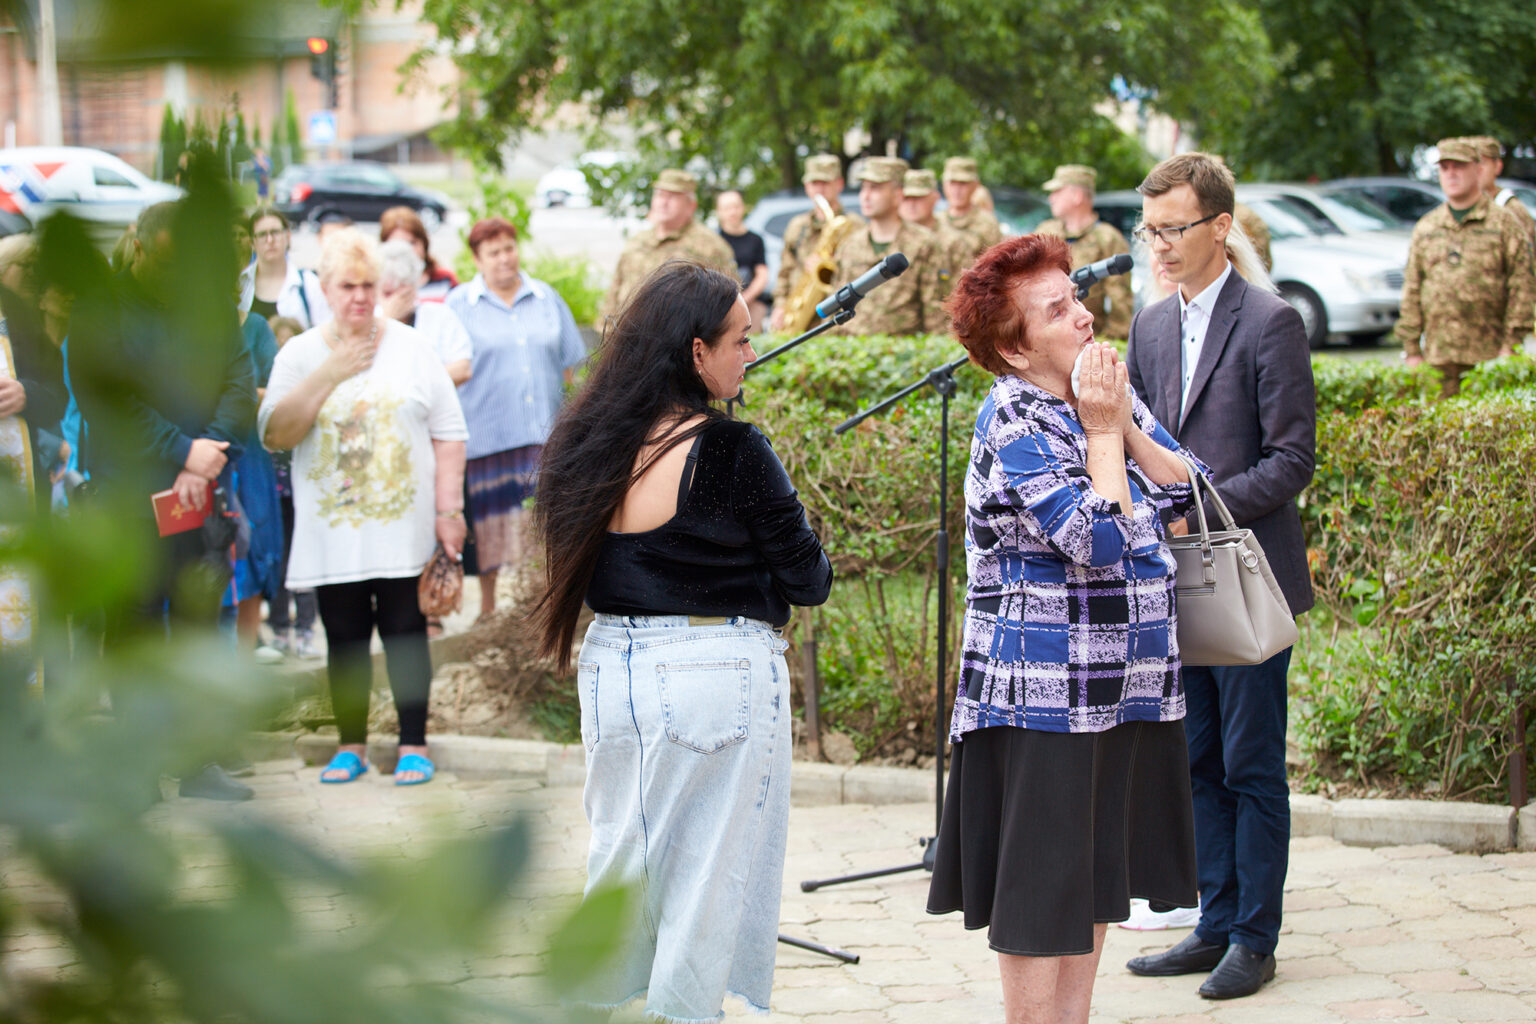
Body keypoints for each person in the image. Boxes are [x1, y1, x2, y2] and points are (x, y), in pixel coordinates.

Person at [532, 260, 832, 1021]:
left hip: (612, 667)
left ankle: (591, 1001)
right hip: (713, 671)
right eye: (740, 340)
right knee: (705, 879)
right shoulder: (732, 449)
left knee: (619, 859)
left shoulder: (584, 439)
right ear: (697, 352)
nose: (751, 354)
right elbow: (809, 580)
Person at [924, 233, 1202, 1024]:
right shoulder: (1014, 417)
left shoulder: (1098, 391)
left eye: (1075, 297)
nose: (1083, 315)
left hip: (1128, 684)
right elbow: (1098, 538)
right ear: (1015, 349)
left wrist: (1119, 424)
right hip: (1043, 695)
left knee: (1097, 881)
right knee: (1042, 894)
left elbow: (1192, 490)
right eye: (1057, 310)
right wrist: (1108, 438)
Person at [1122, 152, 1316, 1000]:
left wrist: (1197, 507)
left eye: (1174, 229)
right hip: (1175, 577)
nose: (1160, 246)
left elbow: (1292, 460)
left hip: (1246, 577)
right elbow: (1138, 439)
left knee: (1250, 764)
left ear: (1221, 226)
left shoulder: (1271, 321)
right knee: (1196, 759)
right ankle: (1213, 922)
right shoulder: (1148, 325)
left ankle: (1255, 939)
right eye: (1151, 231)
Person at [258, 229, 467, 786]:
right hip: (334, 531)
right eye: (347, 286)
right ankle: (350, 746)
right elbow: (276, 433)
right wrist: (332, 370)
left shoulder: (412, 347)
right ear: (325, 289)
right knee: (344, 637)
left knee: (406, 634)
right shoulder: (300, 354)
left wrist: (450, 512)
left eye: (368, 285)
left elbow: (449, 433)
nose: (358, 296)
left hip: (405, 529)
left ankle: (413, 745)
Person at [68, 198, 258, 801]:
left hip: (198, 494)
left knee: (199, 626)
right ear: (139, 245)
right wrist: (183, 451)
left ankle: (197, 766)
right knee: (135, 627)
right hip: (128, 494)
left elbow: (238, 384)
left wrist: (208, 457)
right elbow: (106, 401)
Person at [446, 218, 586, 620]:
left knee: (546, 522)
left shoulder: (545, 298)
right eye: (493, 252)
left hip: (545, 433)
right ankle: (489, 609)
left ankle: (548, 604)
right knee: (490, 526)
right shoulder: (459, 305)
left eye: (509, 248)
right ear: (477, 259)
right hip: (488, 435)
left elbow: (570, 364)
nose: (504, 258)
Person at [1395, 137, 1534, 398]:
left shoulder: (1505, 224)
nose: (1451, 174)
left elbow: (1523, 287)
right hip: (1437, 361)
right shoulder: (1427, 227)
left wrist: (1511, 347)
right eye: (1444, 168)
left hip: (1490, 359)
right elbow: (1412, 289)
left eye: (1458, 166)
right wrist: (1412, 350)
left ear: (1477, 169)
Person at [224, 220, 286, 663]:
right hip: (208, 454)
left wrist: (237, 392)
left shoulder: (257, 330)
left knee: (255, 551)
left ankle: (243, 659)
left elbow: (277, 393)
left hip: (251, 458)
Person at [596, 169, 736, 328]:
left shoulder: (711, 247)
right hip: (628, 335)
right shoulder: (637, 241)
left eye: (673, 196)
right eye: (660, 195)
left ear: (691, 206)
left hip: (678, 337)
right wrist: (605, 329)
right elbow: (615, 290)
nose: (663, 202)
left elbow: (729, 303)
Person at [830, 156, 946, 336]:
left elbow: (935, 314)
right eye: (863, 188)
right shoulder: (850, 245)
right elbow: (835, 308)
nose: (866, 196)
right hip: (850, 348)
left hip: (901, 349)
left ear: (898, 195)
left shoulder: (924, 244)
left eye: (875, 188)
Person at [262, 315, 319, 657]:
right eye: (278, 341)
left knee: (307, 557)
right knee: (279, 559)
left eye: (290, 340)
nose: (284, 347)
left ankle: (307, 629)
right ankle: (281, 626)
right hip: (275, 487)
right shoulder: (271, 383)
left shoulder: (312, 381)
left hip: (305, 485)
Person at [1036, 164, 1134, 339]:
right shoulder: (1045, 233)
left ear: (1077, 196)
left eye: (1058, 191)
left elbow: (1120, 302)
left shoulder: (1107, 238)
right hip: (1044, 337)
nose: (1051, 198)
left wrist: (1108, 343)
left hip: (1086, 338)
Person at [770, 153, 862, 331]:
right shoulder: (797, 226)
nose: (820, 189)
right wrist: (780, 306)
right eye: (814, 183)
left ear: (839, 184)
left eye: (825, 182)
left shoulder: (854, 225)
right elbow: (785, 271)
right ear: (806, 187)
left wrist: (831, 265)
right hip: (799, 313)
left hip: (837, 317)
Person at [378, 239, 473, 385]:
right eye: (388, 293)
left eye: (402, 292)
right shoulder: (369, 321)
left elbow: (462, 368)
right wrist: (388, 319)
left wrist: (414, 385)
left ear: (414, 286)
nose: (396, 299)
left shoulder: (439, 315)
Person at [250, 206, 330, 330]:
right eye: (262, 234)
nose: (270, 240)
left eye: (275, 232)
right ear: (252, 241)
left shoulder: (309, 284)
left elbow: (325, 331)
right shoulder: (240, 285)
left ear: (287, 235)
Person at [900, 168, 965, 295]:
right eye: (907, 198)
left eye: (919, 198)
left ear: (935, 198)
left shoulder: (953, 242)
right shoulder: (891, 237)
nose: (911, 204)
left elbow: (962, 291)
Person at [379, 206, 459, 302]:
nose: (407, 251)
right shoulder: (381, 285)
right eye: (400, 244)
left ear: (424, 243)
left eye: (412, 243)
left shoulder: (444, 279)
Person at [714, 189, 770, 328]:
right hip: (719, 305)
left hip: (751, 302)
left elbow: (762, 275)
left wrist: (744, 299)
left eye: (736, 207)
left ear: (743, 208)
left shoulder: (755, 240)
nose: (732, 212)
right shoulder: (713, 240)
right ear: (719, 212)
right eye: (727, 208)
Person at [1470, 136, 1535, 243]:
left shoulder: (1512, 210)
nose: (1477, 169)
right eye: (1471, 164)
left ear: (1497, 166)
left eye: (1482, 162)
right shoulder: (1461, 207)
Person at [937, 157, 1002, 261]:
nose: (957, 190)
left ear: (975, 186)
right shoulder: (936, 220)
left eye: (963, 184)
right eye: (952, 183)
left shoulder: (988, 223)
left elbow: (995, 264)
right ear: (944, 185)